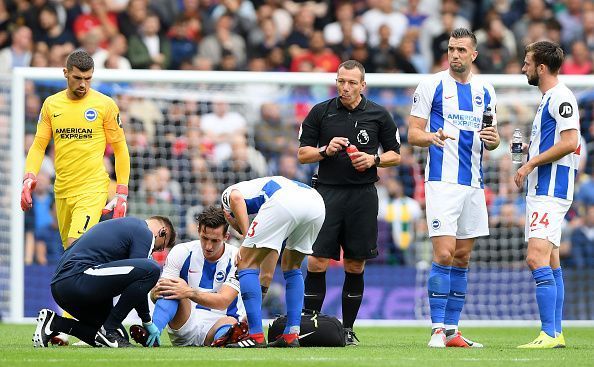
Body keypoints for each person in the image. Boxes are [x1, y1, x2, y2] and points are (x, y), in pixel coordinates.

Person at [297, 59, 401, 345]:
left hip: (363, 196)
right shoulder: (321, 112)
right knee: (317, 260)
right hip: (327, 194)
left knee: (355, 264)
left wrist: (373, 159)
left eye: (352, 82)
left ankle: (348, 329)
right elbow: (302, 154)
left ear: (362, 85)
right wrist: (325, 150)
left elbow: (396, 154)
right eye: (341, 81)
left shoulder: (379, 115)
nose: (345, 87)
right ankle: (310, 324)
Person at [408, 28, 500, 348]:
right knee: (444, 253)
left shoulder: (486, 90)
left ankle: (452, 330)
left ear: (473, 54)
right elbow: (413, 133)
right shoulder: (431, 85)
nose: (455, 54)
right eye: (451, 49)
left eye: (461, 49)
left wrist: (495, 139)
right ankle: (436, 329)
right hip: (442, 182)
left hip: (474, 183)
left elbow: (493, 135)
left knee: (462, 258)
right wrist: (431, 137)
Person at [21, 49, 131, 249]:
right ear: (65, 73)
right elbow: (38, 146)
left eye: (88, 78)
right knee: (69, 258)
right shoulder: (51, 105)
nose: (83, 84)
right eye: (77, 78)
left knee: (75, 248)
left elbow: (120, 148)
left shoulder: (104, 105)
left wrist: (121, 192)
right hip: (62, 190)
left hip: (92, 189)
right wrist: (29, 176)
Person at [515, 40, 580, 349]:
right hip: (544, 188)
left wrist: (530, 164)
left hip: (552, 188)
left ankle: (548, 334)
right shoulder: (548, 98)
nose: (523, 68)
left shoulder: (561, 97)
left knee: (535, 257)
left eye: (527, 63)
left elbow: (571, 141)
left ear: (541, 67)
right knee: (551, 260)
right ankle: (556, 332)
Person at [32, 215, 176, 348]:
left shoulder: (126, 229)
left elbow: (137, 281)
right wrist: (147, 321)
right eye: (160, 246)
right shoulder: (144, 232)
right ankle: (109, 329)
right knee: (152, 268)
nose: (156, 251)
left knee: (119, 338)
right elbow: (144, 275)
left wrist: (145, 319)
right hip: (77, 278)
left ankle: (56, 323)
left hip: (63, 287)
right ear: (162, 232)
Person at [221, 176, 325, 347]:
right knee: (292, 266)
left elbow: (235, 198)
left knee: (245, 262)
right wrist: (255, 305)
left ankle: (255, 336)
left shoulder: (227, 200)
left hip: (286, 201)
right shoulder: (265, 203)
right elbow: (267, 275)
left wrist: (246, 238)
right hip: (316, 203)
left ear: (227, 215)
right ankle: (291, 335)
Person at [137, 206, 247, 347]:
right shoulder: (181, 252)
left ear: (226, 237)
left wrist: (188, 291)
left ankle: (223, 340)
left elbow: (223, 301)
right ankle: (152, 334)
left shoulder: (237, 258)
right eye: (204, 238)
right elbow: (157, 294)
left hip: (220, 322)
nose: (208, 246)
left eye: (215, 241)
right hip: (185, 323)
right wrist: (155, 294)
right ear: (198, 231)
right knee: (173, 285)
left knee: (231, 323)